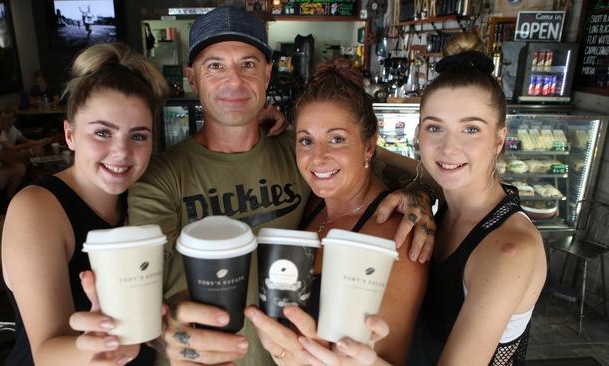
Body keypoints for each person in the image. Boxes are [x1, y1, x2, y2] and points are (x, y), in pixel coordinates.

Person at [71, 6, 436, 366]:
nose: (234, 81)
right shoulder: (160, 177)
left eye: (248, 64)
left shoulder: (297, 153)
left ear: (267, 74)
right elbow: (140, 285)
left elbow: (358, 160)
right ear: (192, 78)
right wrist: (170, 328)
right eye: (215, 66)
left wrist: (419, 192)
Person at [245, 59, 428, 366]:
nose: (318, 157)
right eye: (306, 140)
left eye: (337, 139)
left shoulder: (398, 238)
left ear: (369, 147)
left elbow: (388, 357)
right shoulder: (314, 203)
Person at [1, 42, 170, 366]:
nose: (121, 152)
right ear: (70, 135)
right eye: (102, 133)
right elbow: (46, 353)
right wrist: (103, 344)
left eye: (138, 136)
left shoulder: (142, 200)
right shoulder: (37, 208)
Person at [408, 51, 547, 365]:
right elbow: (403, 165)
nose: (448, 147)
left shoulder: (509, 249)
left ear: (499, 140)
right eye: (434, 128)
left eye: (470, 129)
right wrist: (414, 187)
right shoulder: (449, 200)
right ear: (418, 135)